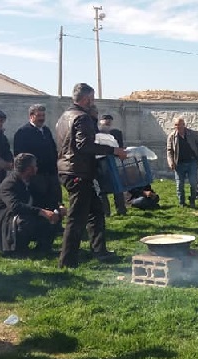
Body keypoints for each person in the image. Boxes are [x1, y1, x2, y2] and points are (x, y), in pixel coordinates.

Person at [55, 83, 127, 268]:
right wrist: (113, 150)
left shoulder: (64, 116)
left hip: (70, 169)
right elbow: (84, 146)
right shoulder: (82, 118)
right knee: (76, 217)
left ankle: (100, 251)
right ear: (86, 99)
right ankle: (67, 261)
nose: (93, 102)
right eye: (92, 99)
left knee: (96, 212)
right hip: (77, 171)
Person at [0, 153, 59, 254]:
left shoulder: (30, 181)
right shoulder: (9, 184)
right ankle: (18, 248)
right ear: (29, 169)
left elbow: (42, 198)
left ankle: (43, 248)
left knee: (53, 216)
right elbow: (15, 206)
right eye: (35, 165)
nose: (37, 168)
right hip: (7, 224)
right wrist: (41, 212)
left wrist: (58, 207)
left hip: (25, 216)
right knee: (26, 221)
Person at [13, 104, 64, 215]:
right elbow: (20, 155)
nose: (42, 118)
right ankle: (40, 225)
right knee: (39, 200)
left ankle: (55, 224)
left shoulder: (46, 131)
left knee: (54, 199)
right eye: (39, 115)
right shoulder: (23, 132)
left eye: (43, 115)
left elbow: (53, 149)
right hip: (36, 174)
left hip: (51, 173)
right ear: (31, 116)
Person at [166, 117, 198, 208]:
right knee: (179, 184)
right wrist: (171, 162)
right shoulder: (172, 137)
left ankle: (192, 200)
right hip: (179, 163)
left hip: (192, 162)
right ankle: (182, 203)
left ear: (184, 125)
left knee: (193, 182)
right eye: (176, 125)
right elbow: (169, 151)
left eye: (180, 124)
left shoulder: (192, 134)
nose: (178, 127)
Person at [97, 114, 127, 216]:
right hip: (100, 162)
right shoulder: (95, 132)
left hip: (113, 161)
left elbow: (120, 147)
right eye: (105, 120)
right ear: (101, 121)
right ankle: (106, 212)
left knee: (117, 186)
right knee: (102, 188)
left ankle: (121, 209)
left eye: (109, 121)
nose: (107, 123)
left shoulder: (116, 133)